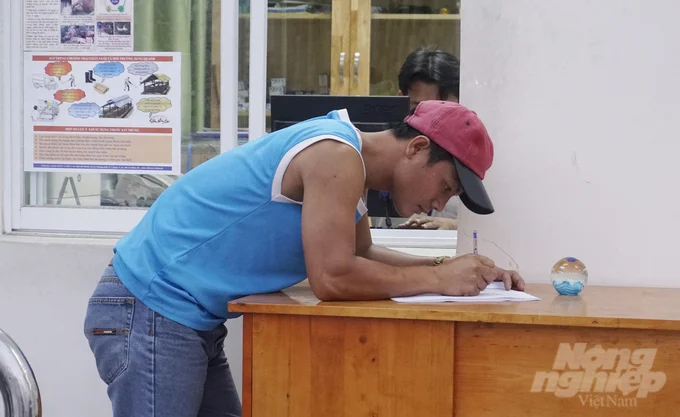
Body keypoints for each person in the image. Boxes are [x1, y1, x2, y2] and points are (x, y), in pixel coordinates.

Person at [83, 100, 524, 417]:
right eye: (446, 187)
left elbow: (360, 252)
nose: (437, 204)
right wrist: (442, 280)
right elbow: (332, 278)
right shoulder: (336, 155)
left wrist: (454, 271)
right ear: (417, 147)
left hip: (184, 319)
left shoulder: (353, 168)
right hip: (150, 308)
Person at [391, 46, 462, 230]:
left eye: (444, 110)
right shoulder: (386, 153)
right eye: (420, 108)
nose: (433, 123)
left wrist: (452, 226)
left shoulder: (474, 156)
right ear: (401, 102)